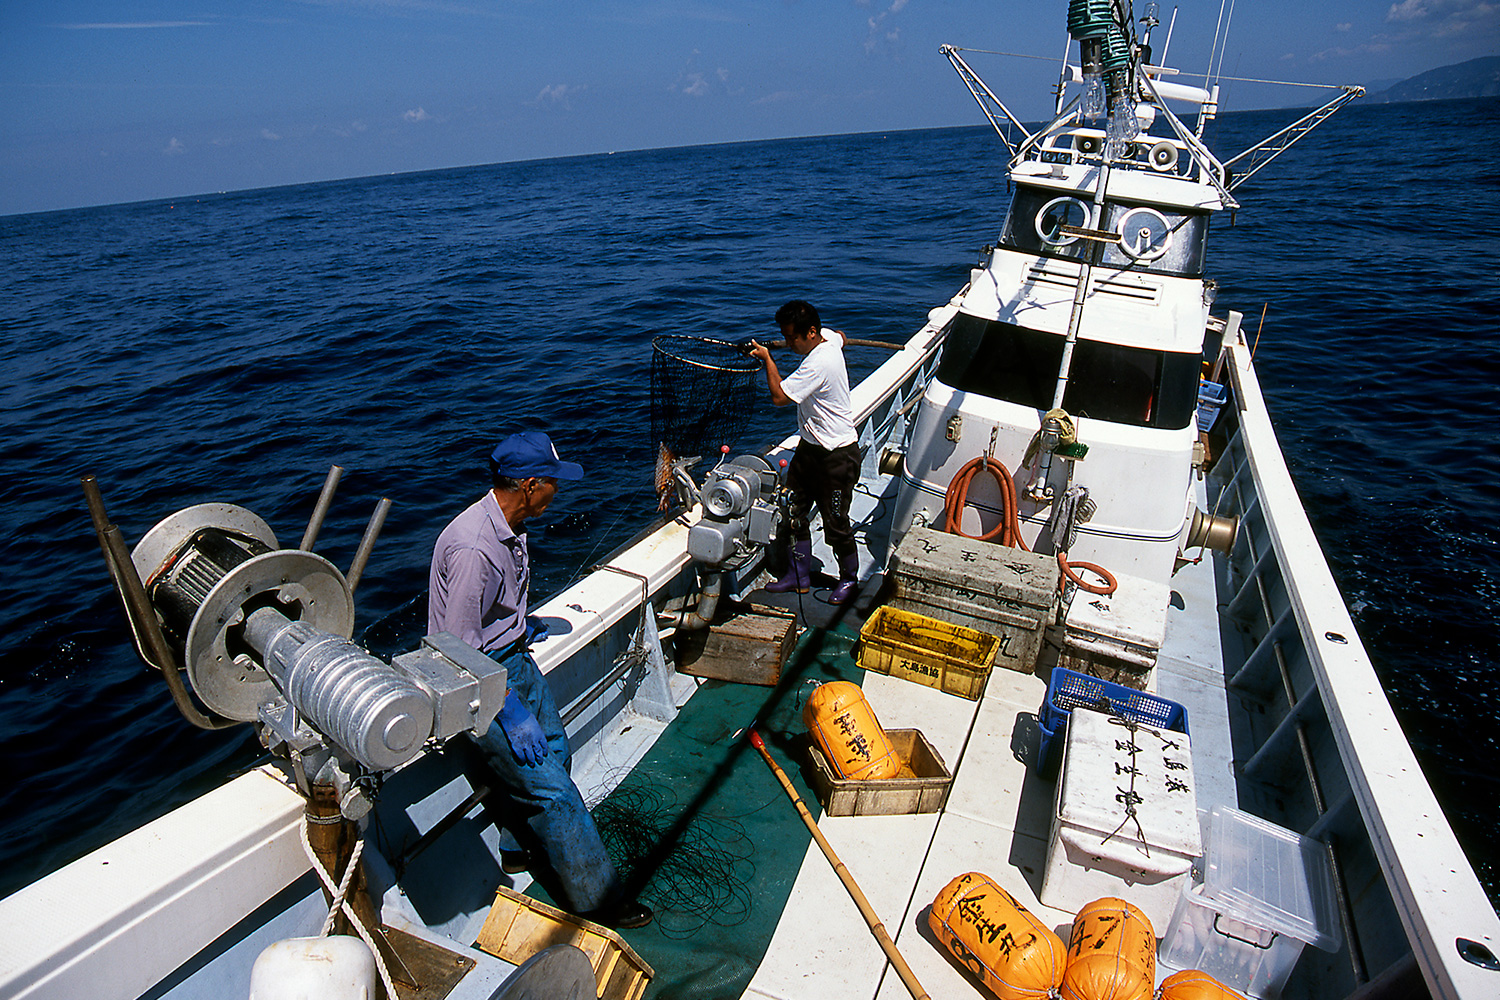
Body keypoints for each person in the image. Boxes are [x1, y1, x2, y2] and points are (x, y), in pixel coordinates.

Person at [428, 431, 652, 930]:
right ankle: (599, 900)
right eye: (552, 483)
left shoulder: (512, 524)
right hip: (481, 681)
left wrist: (515, 625)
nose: (558, 492)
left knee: (556, 748)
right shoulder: (474, 548)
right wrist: (506, 707)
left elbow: (487, 614)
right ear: (529, 485)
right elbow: (458, 649)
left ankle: (516, 847)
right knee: (554, 791)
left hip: (511, 657)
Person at [748, 300, 862, 605]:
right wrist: (840, 337)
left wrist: (768, 359)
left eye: (791, 339)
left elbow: (780, 396)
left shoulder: (818, 363)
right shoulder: (829, 341)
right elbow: (839, 335)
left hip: (837, 456)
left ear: (811, 333)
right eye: (784, 338)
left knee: (836, 521)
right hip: (809, 450)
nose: (788, 343)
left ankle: (849, 579)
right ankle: (798, 576)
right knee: (794, 512)